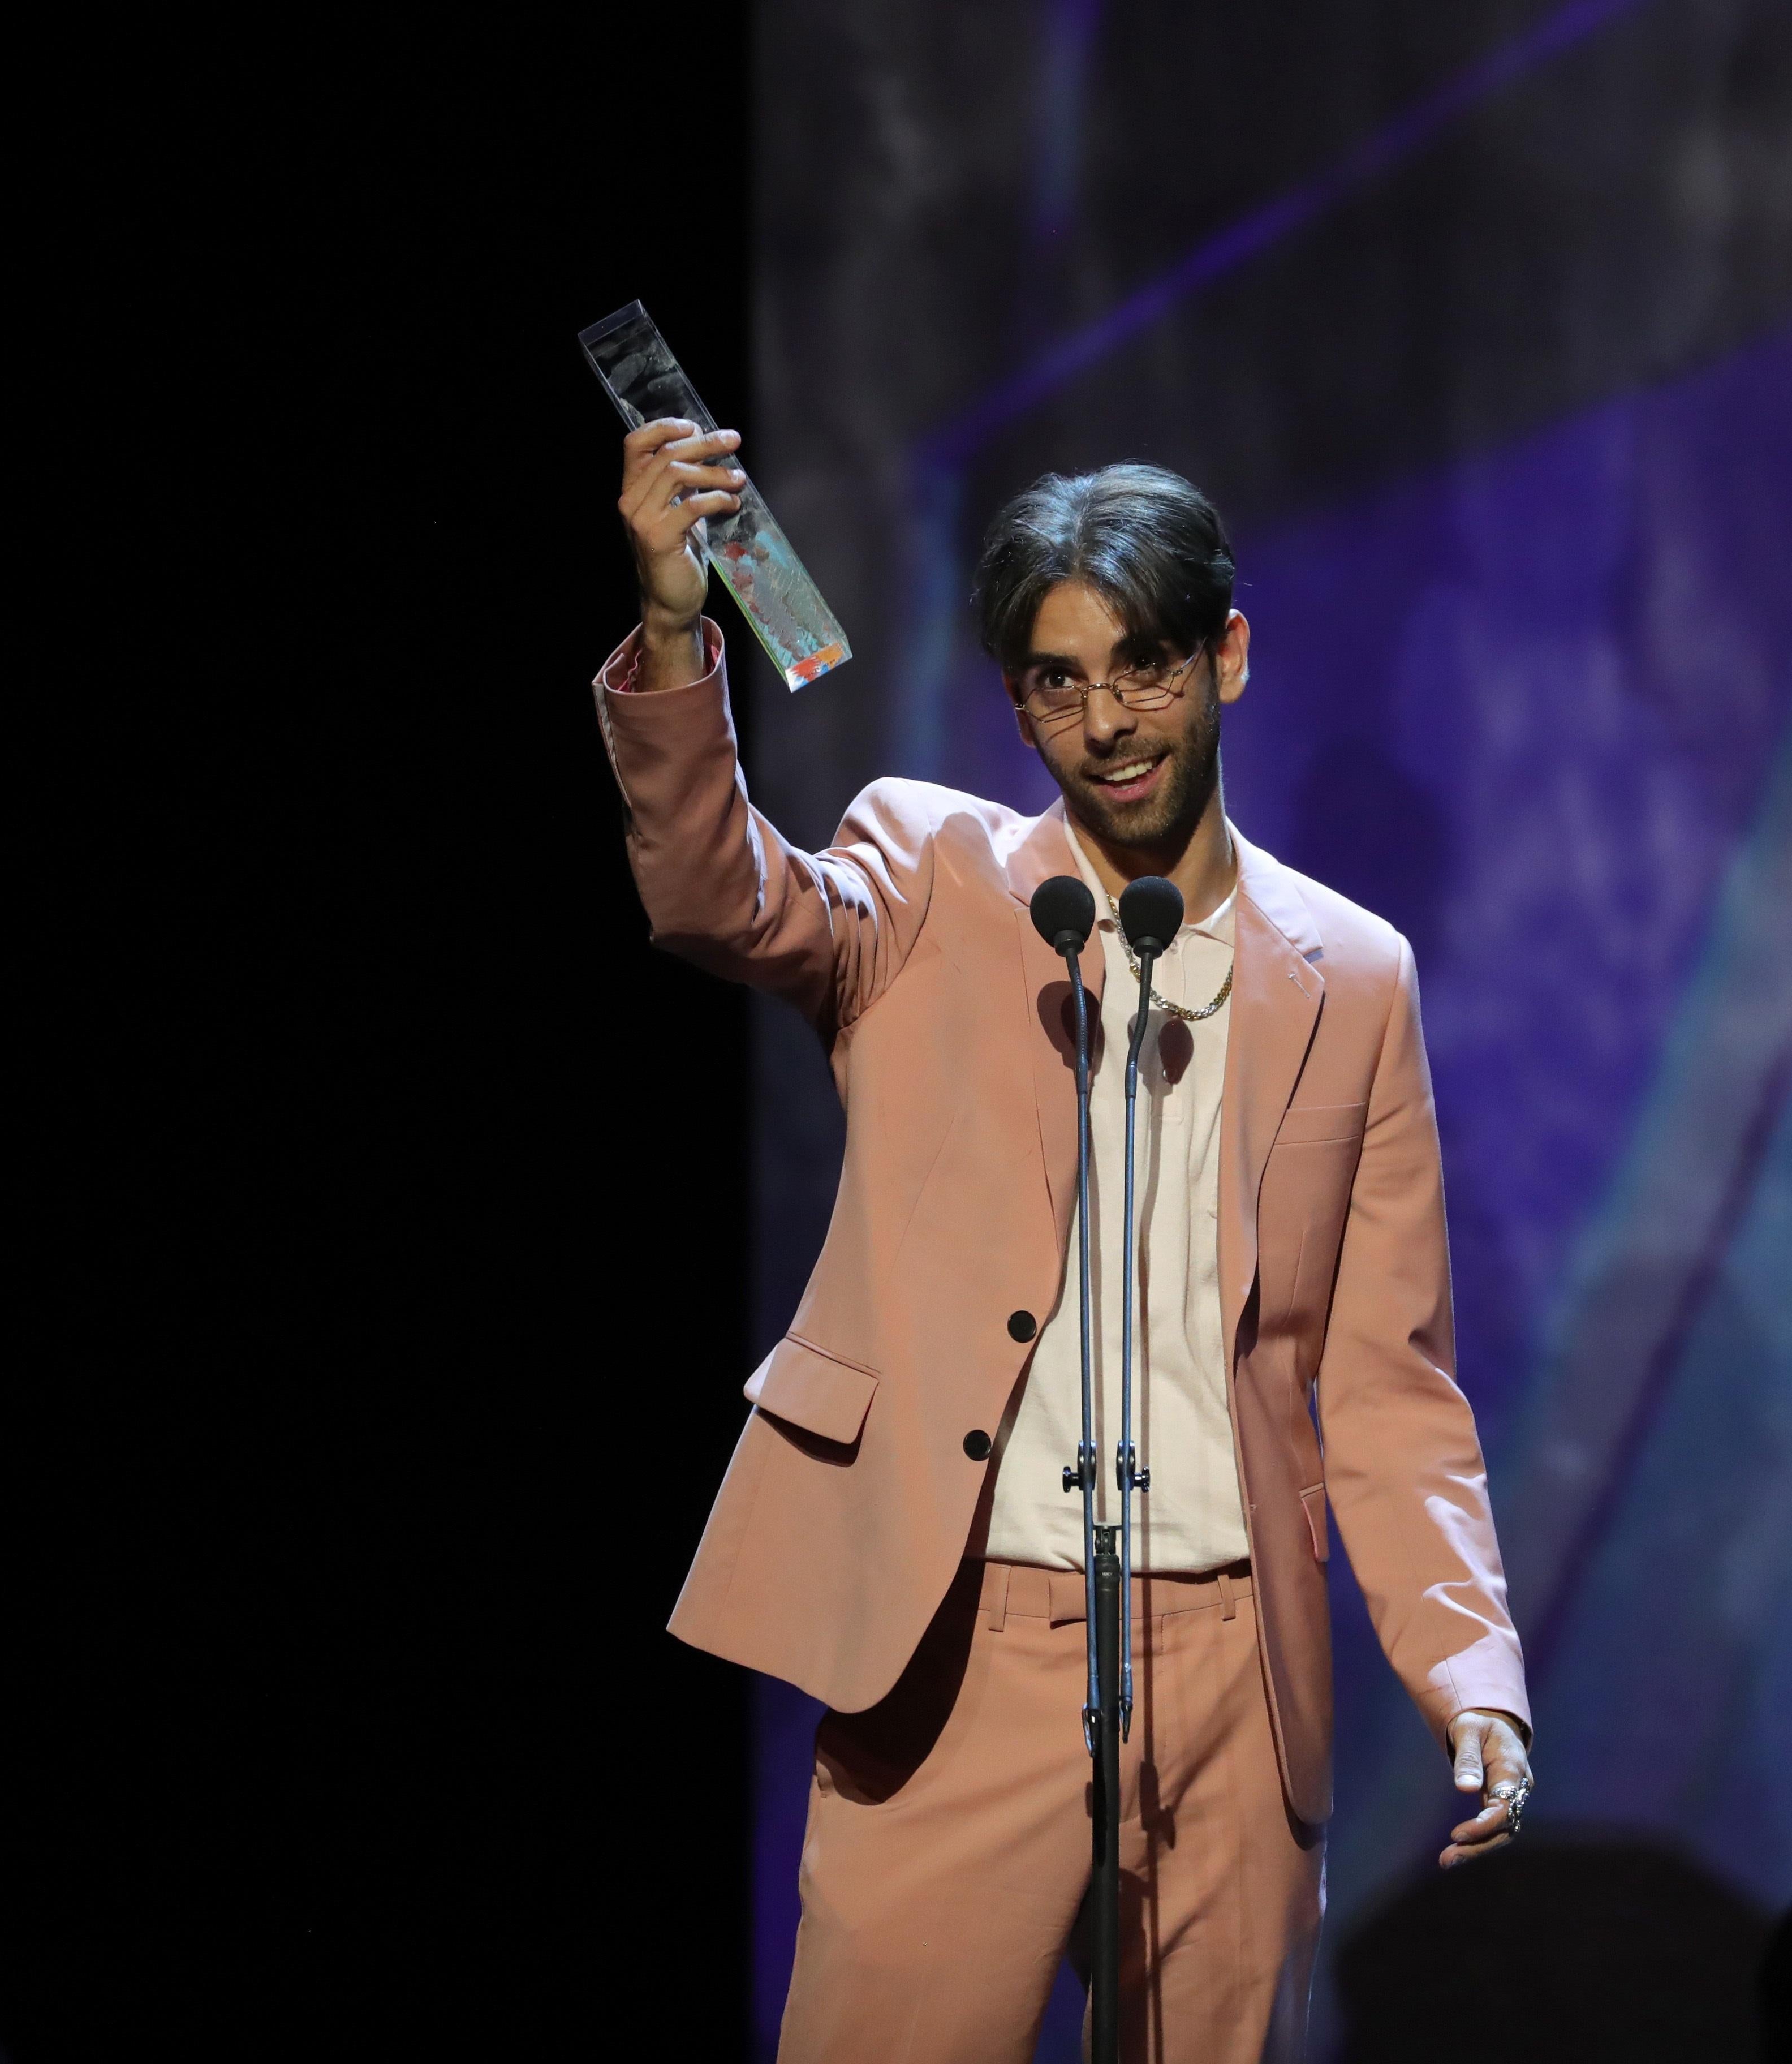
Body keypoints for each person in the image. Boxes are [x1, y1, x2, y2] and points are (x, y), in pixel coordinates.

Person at [599, 416, 1533, 2061]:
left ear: (1227, 656)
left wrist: (1471, 1671)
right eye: (1054, 681)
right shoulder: (932, 872)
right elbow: (714, 897)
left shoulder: (1356, 975)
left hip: (1234, 1680)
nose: (1105, 725)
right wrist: (680, 625)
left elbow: (1389, 1387)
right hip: (965, 1650)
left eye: (1146, 667)